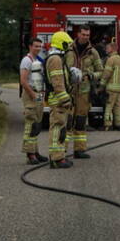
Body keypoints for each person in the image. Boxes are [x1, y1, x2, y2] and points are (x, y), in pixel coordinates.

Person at [64, 25, 103, 159]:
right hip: (69, 91)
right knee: (67, 121)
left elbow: (101, 71)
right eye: (83, 34)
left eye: (87, 35)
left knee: (80, 121)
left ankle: (79, 150)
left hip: (84, 92)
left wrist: (91, 75)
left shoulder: (93, 52)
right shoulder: (68, 50)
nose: (85, 37)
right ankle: (61, 150)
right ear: (78, 34)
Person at [44, 31, 76, 169]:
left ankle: (59, 157)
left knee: (61, 128)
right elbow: (57, 82)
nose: (69, 47)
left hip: (58, 99)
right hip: (58, 100)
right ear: (61, 43)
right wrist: (65, 99)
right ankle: (56, 159)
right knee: (57, 128)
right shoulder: (56, 59)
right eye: (67, 44)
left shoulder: (56, 58)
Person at [19, 37, 48, 165]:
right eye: (36, 46)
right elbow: (23, 81)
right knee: (30, 124)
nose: (38, 48)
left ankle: (35, 152)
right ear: (30, 46)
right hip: (31, 94)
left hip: (38, 94)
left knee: (37, 124)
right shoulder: (27, 60)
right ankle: (30, 155)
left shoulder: (37, 60)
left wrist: (41, 96)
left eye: (40, 46)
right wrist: (33, 94)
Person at [101, 40, 120, 131]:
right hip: (118, 88)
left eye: (107, 48)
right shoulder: (119, 58)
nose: (106, 50)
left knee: (109, 106)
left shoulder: (110, 59)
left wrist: (101, 85)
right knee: (117, 107)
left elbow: (106, 74)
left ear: (112, 49)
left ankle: (108, 125)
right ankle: (119, 124)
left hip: (111, 88)